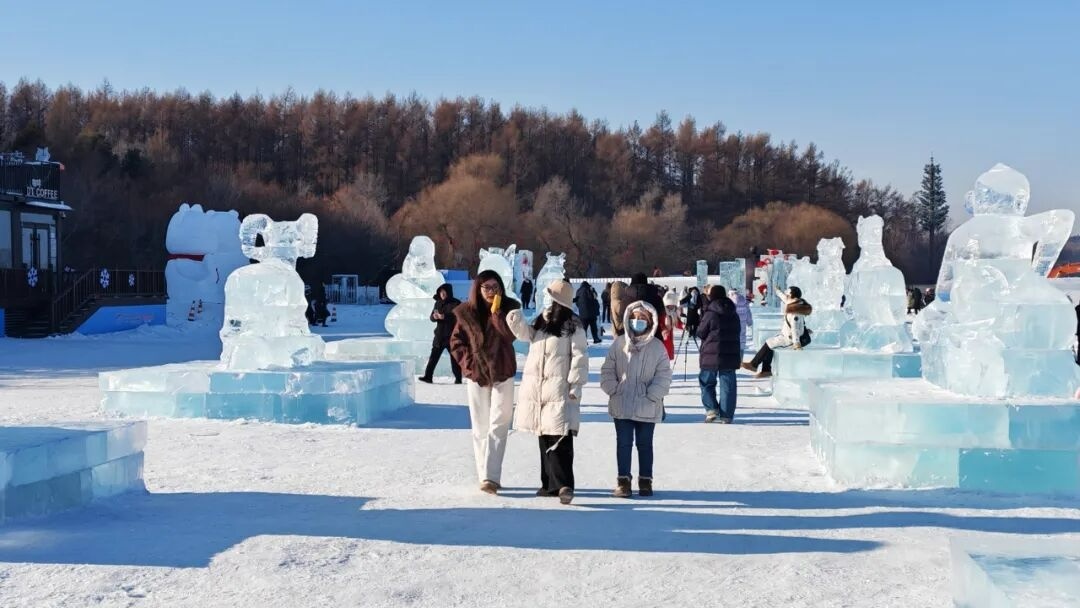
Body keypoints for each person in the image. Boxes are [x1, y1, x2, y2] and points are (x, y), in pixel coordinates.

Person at [506, 280, 589, 505]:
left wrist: (575, 384)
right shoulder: (543, 320)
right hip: (538, 389)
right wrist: (514, 318)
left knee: (560, 436)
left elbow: (580, 357)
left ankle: (564, 485)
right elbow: (526, 336)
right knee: (544, 434)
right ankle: (549, 484)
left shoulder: (573, 326)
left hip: (559, 388)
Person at [449, 270, 521, 494]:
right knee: (480, 426)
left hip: (503, 372)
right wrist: (469, 365)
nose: (491, 291)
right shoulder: (466, 313)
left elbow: (511, 336)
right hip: (477, 375)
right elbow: (456, 342)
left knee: (499, 423)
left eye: (495, 287)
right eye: (487, 287)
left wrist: (497, 314)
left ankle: (491, 476)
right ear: (478, 289)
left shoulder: (511, 308)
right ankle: (484, 475)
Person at [600, 301, 673, 498]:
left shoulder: (657, 347)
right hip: (622, 401)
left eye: (642, 318)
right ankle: (623, 481)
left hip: (647, 404)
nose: (637, 321)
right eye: (634, 317)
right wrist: (613, 388)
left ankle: (645, 481)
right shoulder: (619, 343)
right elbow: (607, 369)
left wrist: (653, 394)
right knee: (623, 443)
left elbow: (664, 374)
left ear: (650, 321)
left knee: (645, 444)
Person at [741, 286, 812, 379]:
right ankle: (765, 370)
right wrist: (778, 291)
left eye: (788, 292)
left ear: (791, 294)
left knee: (769, 344)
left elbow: (795, 328)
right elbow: (784, 298)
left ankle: (754, 365)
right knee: (770, 343)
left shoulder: (795, 311)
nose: (786, 293)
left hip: (790, 339)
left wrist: (797, 343)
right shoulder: (793, 303)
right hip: (786, 335)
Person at [697, 285, 742, 423]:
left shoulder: (710, 313)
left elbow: (700, 332)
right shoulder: (734, 312)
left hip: (711, 353)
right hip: (730, 353)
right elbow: (738, 331)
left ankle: (711, 410)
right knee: (728, 384)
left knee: (706, 381)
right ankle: (727, 415)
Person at [419, 283, 463, 384]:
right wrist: (434, 317)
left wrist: (445, 316)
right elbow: (431, 318)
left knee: (455, 359)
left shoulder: (456, 303)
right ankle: (428, 376)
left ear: (449, 292)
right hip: (439, 335)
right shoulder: (438, 303)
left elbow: (459, 317)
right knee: (433, 357)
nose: (442, 294)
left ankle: (458, 379)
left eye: (444, 292)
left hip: (452, 336)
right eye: (441, 292)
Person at [729, 287, 754, 359]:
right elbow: (748, 313)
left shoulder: (730, 303)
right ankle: (740, 360)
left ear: (731, 294)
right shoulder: (744, 301)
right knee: (742, 341)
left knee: (733, 341)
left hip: (732, 326)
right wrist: (749, 322)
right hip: (742, 326)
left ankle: (733, 359)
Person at [661, 290, 679, 359]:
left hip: (670, 338)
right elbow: (660, 323)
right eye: (670, 305)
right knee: (663, 356)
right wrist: (664, 329)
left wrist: (683, 326)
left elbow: (678, 323)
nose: (671, 307)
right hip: (664, 337)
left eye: (673, 305)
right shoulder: (663, 313)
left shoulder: (673, 313)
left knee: (667, 356)